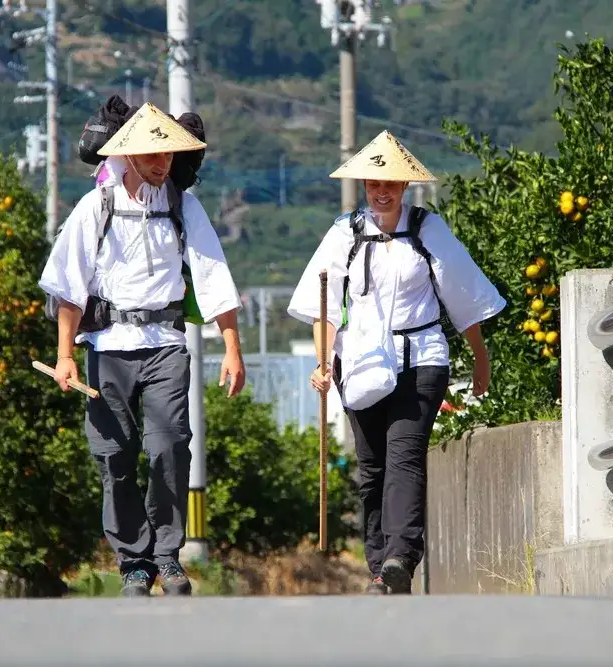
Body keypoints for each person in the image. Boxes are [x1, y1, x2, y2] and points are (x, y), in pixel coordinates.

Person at [39, 103, 247, 598]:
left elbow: (214, 275)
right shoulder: (96, 207)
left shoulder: (182, 205)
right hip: (107, 347)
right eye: (154, 151)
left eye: (170, 151)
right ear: (129, 153)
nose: (163, 161)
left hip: (165, 346)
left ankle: (168, 557)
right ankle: (134, 561)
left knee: (170, 446)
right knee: (114, 456)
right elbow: (69, 287)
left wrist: (233, 349)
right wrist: (65, 355)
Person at [287, 130, 506, 595]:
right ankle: (378, 565)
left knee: (404, 456)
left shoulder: (428, 230)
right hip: (362, 363)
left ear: (406, 187)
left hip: (420, 361)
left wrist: (479, 357)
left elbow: (461, 294)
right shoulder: (344, 233)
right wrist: (323, 361)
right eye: (373, 184)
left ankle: (399, 559)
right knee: (372, 468)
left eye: (391, 184)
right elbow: (322, 304)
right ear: (364, 186)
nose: (382, 191)